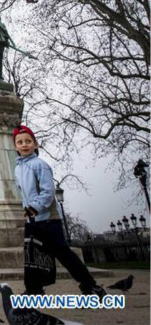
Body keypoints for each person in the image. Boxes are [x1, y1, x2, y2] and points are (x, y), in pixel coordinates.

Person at [13, 125, 106, 297]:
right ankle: (34, 290)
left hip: (48, 218)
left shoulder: (40, 165)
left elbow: (48, 192)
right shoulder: (18, 169)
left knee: (63, 253)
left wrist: (35, 207)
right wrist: (27, 211)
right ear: (15, 147)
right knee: (32, 255)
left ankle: (90, 286)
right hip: (32, 218)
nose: (24, 144)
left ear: (35, 144)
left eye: (28, 141)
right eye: (20, 142)